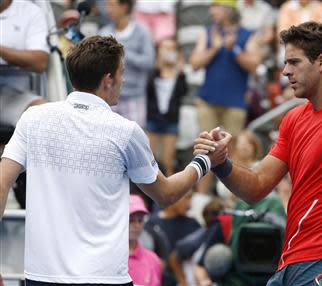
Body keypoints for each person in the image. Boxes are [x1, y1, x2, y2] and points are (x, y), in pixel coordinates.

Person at [0, 35, 230, 286]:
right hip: (104, 278)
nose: (124, 80)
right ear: (108, 79)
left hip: (41, 278)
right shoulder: (126, 131)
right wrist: (203, 162)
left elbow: (1, 183)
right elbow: (165, 194)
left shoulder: (33, 118)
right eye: (122, 72)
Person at [194, 22, 322, 286]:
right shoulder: (293, 119)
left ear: (321, 62)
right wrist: (221, 163)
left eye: (294, 62)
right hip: (290, 263)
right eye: (285, 63)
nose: (285, 71)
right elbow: (256, 187)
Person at [189, 0, 261, 194]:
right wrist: (216, 47)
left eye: (216, 6)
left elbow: (255, 64)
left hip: (235, 103)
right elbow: (194, 62)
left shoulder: (247, 34)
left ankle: (232, 197)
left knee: (233, 152)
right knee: (205, 150)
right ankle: (202, 199)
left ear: (228, 10)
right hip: (208, 101)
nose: (211, 10)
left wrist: (234, 50)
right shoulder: (208, 33)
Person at [99, 0, 155, 128]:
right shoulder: (103, 32)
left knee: (133, 142)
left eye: (112, 5)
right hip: (109, 97)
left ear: (124, 7)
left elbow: (149, 62)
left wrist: (124, 52)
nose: (108, 9)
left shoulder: (142, 32)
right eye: (107, 5)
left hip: (134, 97)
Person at [0, 0, 48, 128]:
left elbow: (40, 61)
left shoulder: (30, 11)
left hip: (15, 96)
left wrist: (2, 51)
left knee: (45, 114)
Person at [146, 36, 187, 176]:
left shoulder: (178, 74)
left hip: (171, 120)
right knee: (148, 159)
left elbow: (183, 92)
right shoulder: (153, 71)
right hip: (153, 119)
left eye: (172, 49)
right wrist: (158, 65)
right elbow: (147, 90)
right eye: (166, 48)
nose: (169, 52)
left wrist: (180, 71)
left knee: (167, 161)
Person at [129, 194, 161, 286]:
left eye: (140, 220)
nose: (137, 225)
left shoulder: (153, 260)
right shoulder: (109, 257)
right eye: (130, 220)